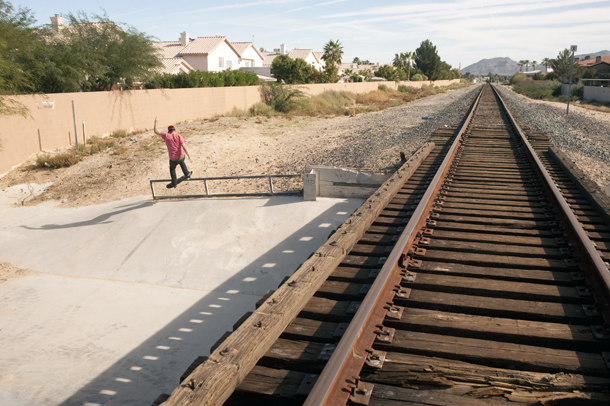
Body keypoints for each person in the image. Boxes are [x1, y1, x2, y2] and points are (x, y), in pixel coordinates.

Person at [154, 117, 193, 188]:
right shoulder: (179, 136)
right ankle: (187, 174)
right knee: (181, 162)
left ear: (169, 131)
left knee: (172, 169)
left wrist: (156, 122)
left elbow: (156, 131)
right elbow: (184, 147)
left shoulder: (166, 136)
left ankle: (174, 183)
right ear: (175, 130)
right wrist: (189, 156)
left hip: (173, 158)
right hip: (181, 156)